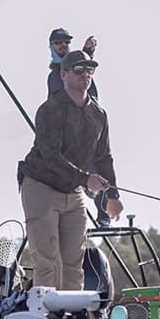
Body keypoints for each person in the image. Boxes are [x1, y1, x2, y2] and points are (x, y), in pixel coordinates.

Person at [18, 50, 124, 290]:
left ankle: (73, 310)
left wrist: (113, 196)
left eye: (90, 69)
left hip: (73, 192)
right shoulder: (50, 109)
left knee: (75, 262)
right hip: (40, 186)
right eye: (79, 69)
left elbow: (104, 157)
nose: (85, 74)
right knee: (47, 261)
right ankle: (45, 310)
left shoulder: (99, 115)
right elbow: (51, 157)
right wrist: (86, 179)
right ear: (64, 74)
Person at [46, 27, 108, 224]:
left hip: (89, 130)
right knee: (68, 173)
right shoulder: (55, 76)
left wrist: (89, 51)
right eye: (58, 42)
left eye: (66, 42)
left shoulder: (81, 71)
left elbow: (82, 68)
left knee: (99, 169)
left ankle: (103, 215)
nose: (63, 45)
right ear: (51, 46)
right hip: (68, 136)